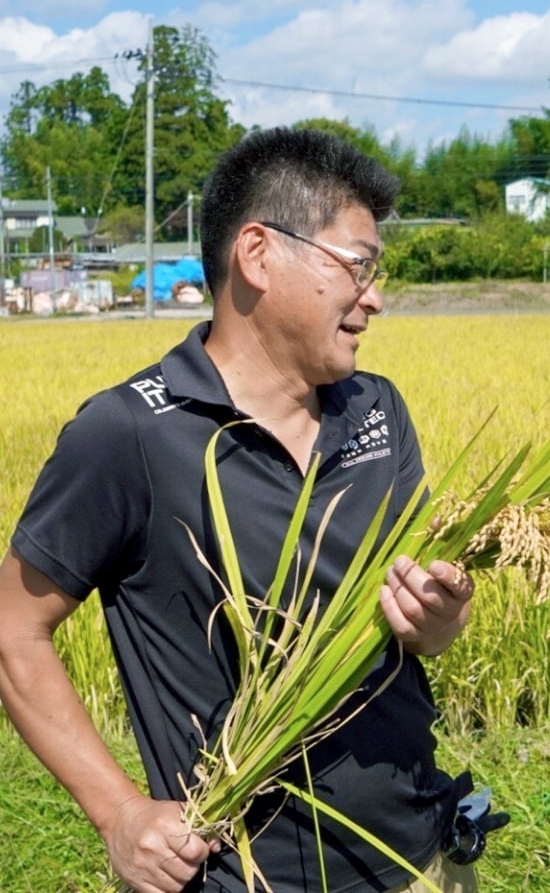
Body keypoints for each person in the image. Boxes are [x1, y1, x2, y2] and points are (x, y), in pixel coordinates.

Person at [0, 127, 495, 892]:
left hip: (421, 856)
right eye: (358, 265)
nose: (376, 297)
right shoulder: (131, 433)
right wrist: (119, 813)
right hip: (250, 877)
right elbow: (13, 629)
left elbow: (422, 625)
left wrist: (440, 621)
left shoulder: (376, 410)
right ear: (260, 255)